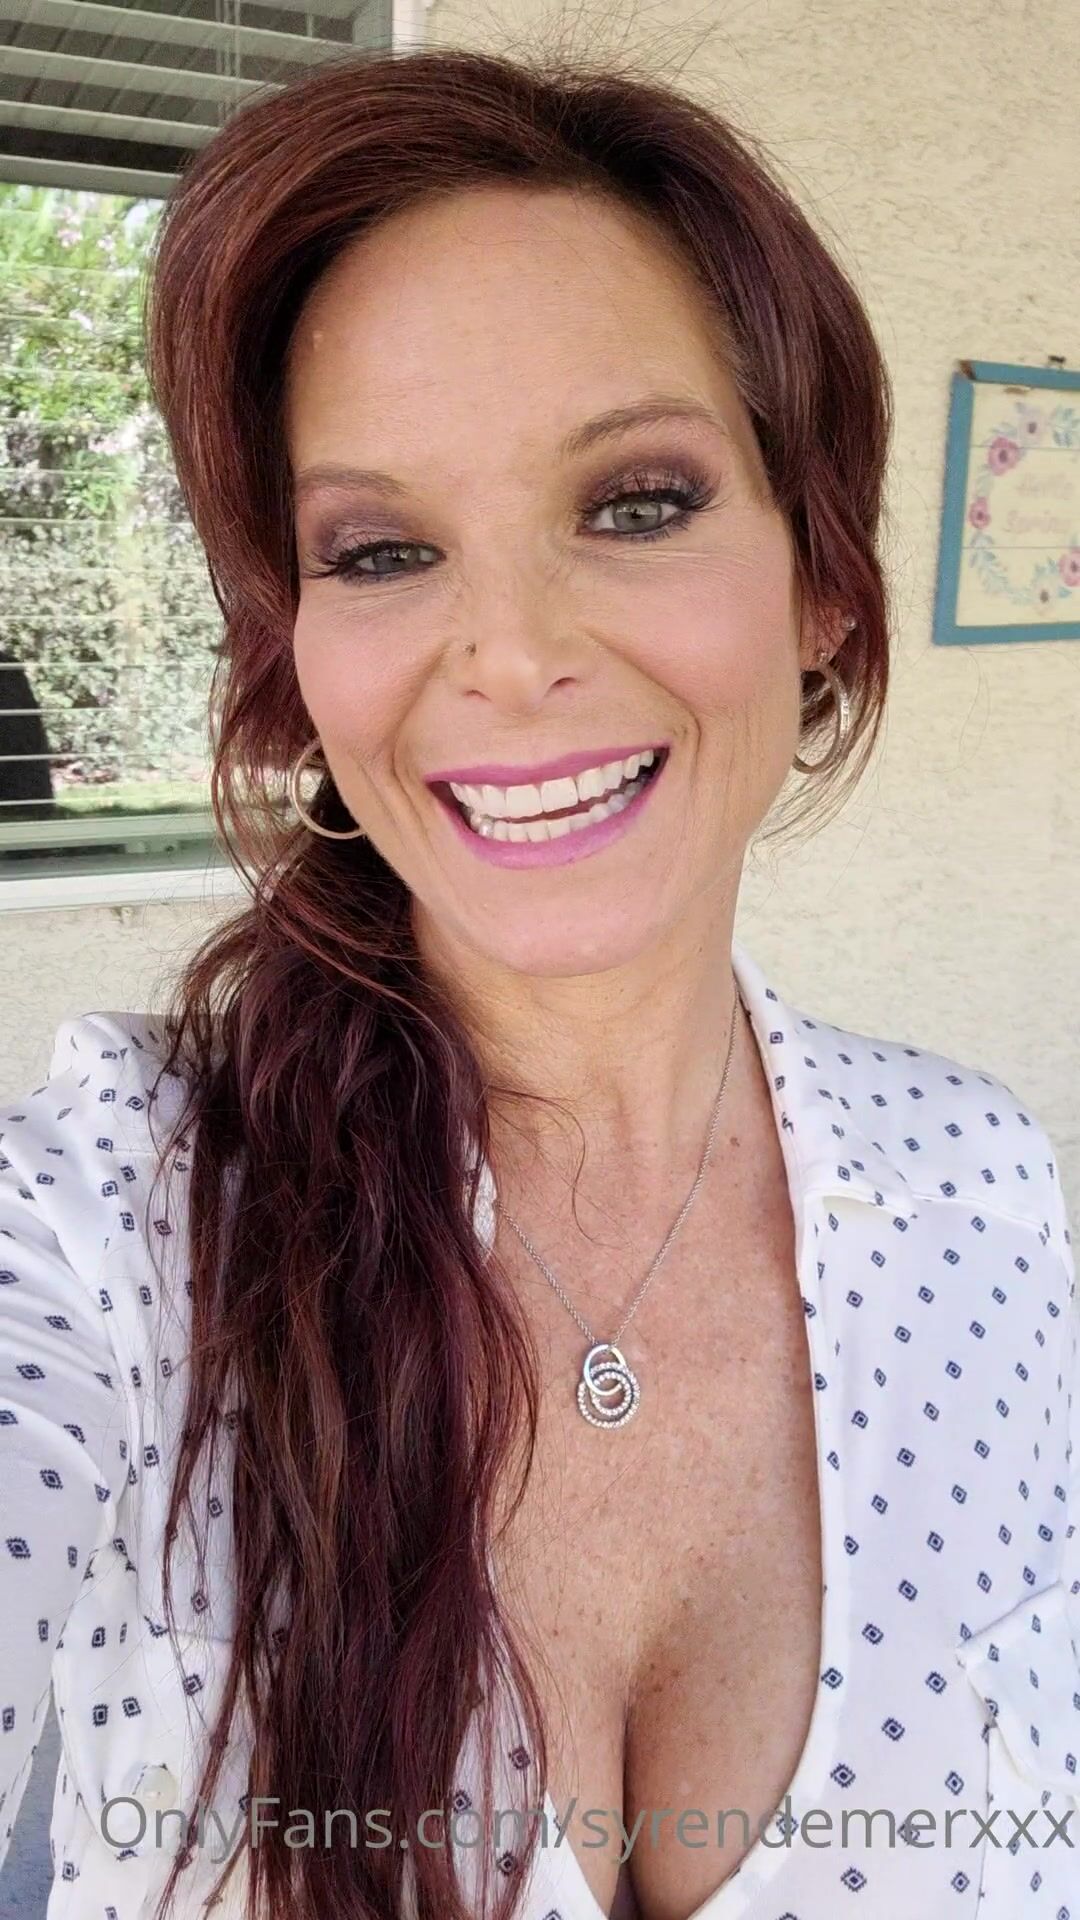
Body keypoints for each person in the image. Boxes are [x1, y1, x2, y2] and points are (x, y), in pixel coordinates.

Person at [0, 40, 1076, 1920]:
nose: (505, 653)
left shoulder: (985, 1191)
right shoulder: (117, 1214)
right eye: (382, 548)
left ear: (822, 583)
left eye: (636, 502)